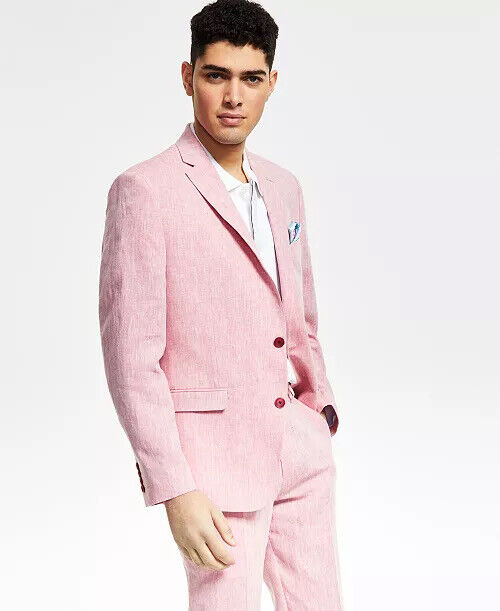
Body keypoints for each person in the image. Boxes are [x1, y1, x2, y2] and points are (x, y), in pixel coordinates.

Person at [98, 0, 343, 608]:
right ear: (188, 77)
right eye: (217, 75)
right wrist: (173, 487)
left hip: (300, 451)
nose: (234, 97)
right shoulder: (144, 191)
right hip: (213, 468)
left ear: (271, 84)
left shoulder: (284, 187)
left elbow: (301, 315)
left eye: (251, 78)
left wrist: (320, 410)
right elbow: (131, 359)